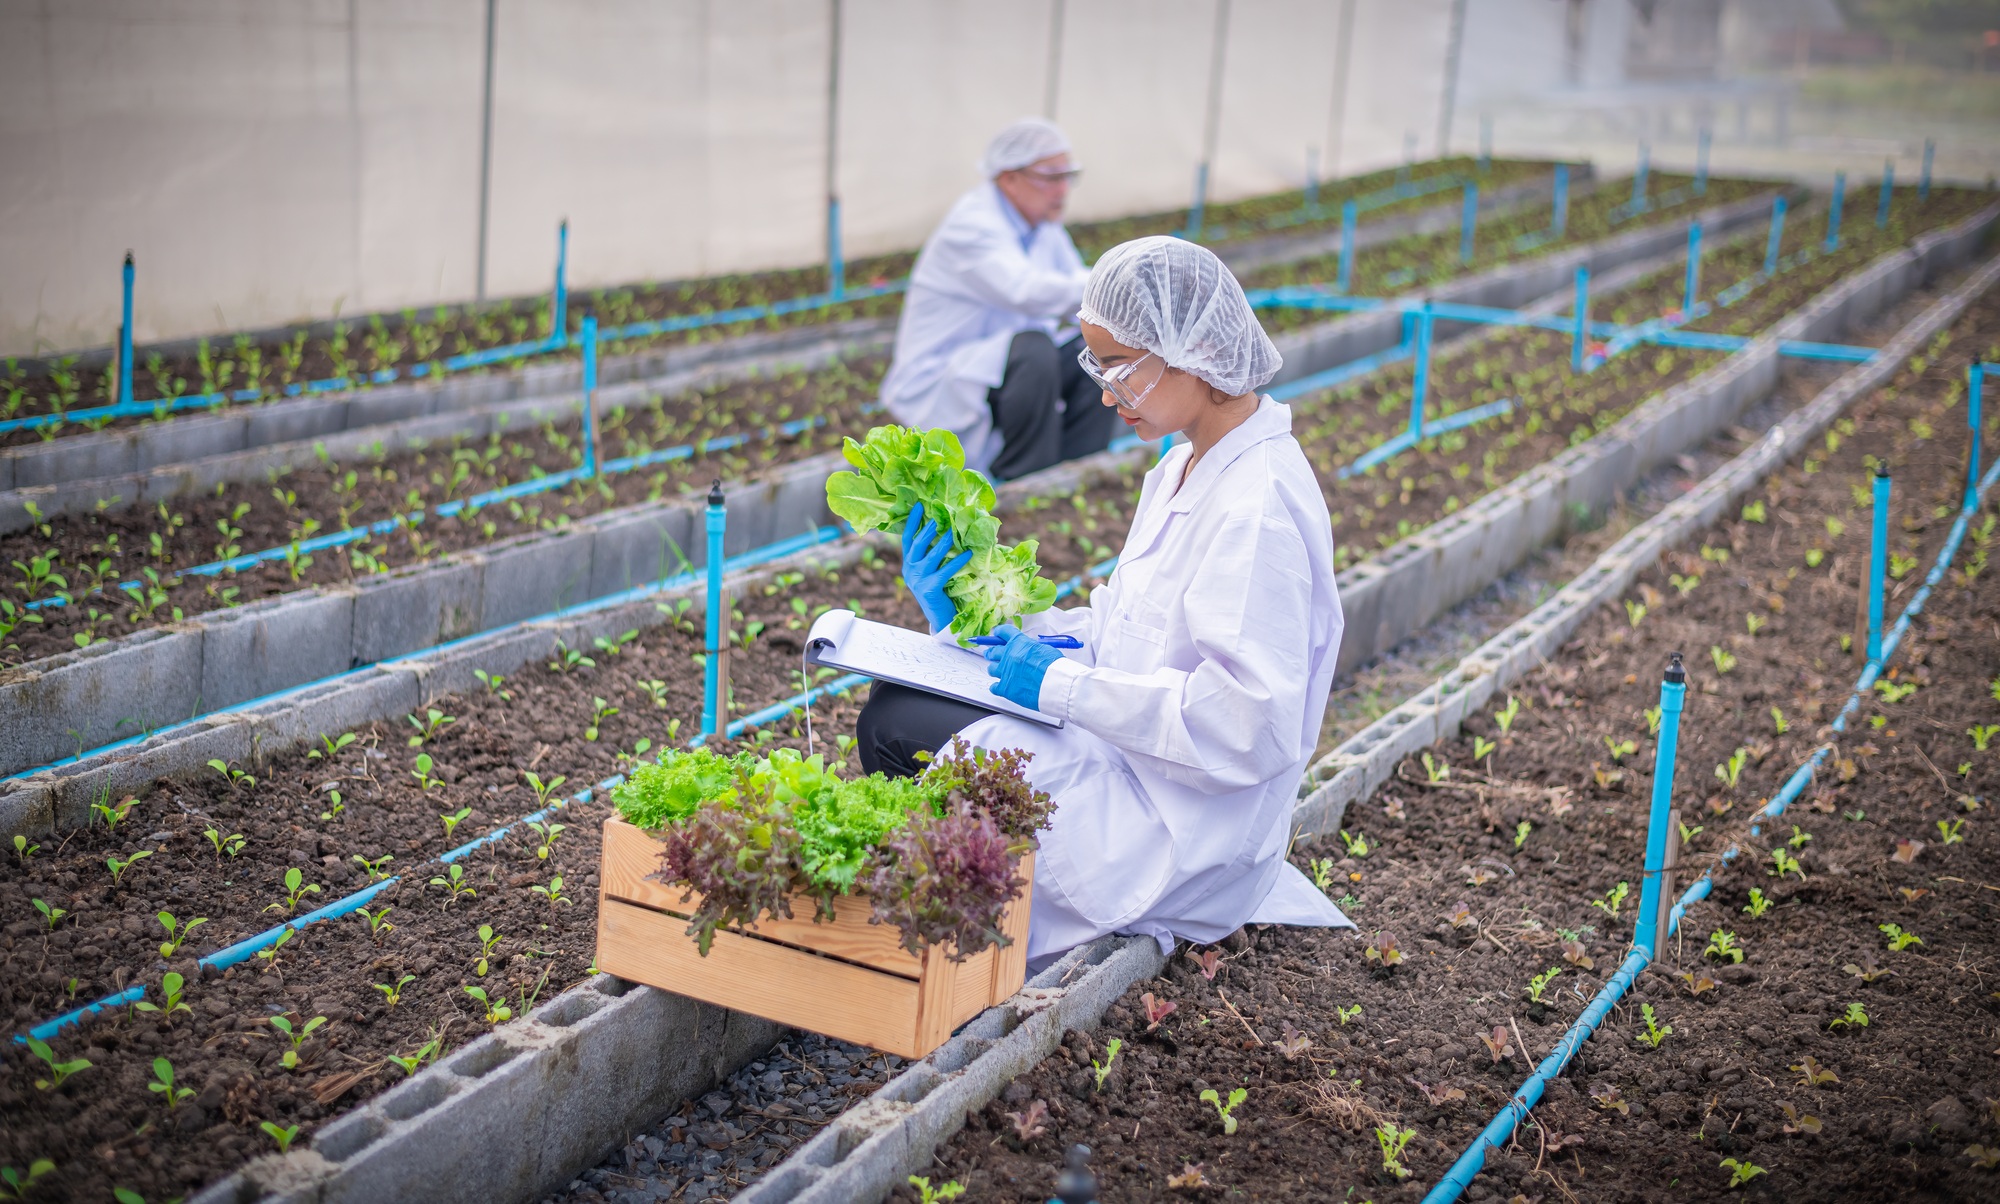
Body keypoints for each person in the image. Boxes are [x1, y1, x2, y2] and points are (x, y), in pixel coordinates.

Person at [857, 235, 1351, 968]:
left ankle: (954, 949)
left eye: (1121, 368)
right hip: (1134, 762)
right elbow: (1123, 626)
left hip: (1179, 831)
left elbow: (1244, 727)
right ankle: (952, 923)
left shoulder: (1258, 507)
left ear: (1197, 351)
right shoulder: (1188, 461)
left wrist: (1059, 685)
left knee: (896, 727)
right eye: (1099, 365)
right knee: (898, 702)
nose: (1103, 393)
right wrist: (975, 616)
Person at [878, 118, 1119, 482]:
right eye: (1051, 177)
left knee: (1097, 352)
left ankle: (1076, 474)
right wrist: (1114, 280)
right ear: (1009, 177)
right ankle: (1025, 483)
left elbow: (1079, 297)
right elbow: (1025, 291)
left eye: (1068, 176)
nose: (1063, 189)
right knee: (1033, 351)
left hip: (996, 367)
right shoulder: (972, 224)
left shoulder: (1043, 226)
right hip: (944, 376)